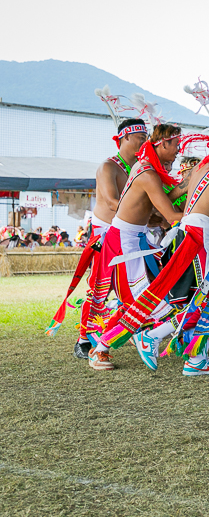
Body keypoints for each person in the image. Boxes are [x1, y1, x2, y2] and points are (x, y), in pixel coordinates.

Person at [98, 117, 209, 376]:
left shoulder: (203, 166)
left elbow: (181, 198)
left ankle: (197, 358)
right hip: (195, 233)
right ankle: (154, 337)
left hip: (191, 232)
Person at [87, 123, 187, 371]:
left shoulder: (144, 168)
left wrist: (189, 184)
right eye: (175, 144)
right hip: (123, 242)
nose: (178, 150)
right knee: (144, 302)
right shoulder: (146, 173)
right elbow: (171, 215)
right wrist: (203, 217)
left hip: (131, 240)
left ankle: (105, 346)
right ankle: (100, 348)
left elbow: (161, 205)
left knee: (139, 302)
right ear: (162, 144)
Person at [46, 118, 147, 358]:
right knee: (100, 288)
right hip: (106, 236)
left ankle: (128, 329)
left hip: (130, 236)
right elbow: (113, 203)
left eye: (146, 138)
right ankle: (83, 340)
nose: (145, 142)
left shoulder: (138, 168)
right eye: (141, 138)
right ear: (125, 138)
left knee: (135, 287)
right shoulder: (108, 166)